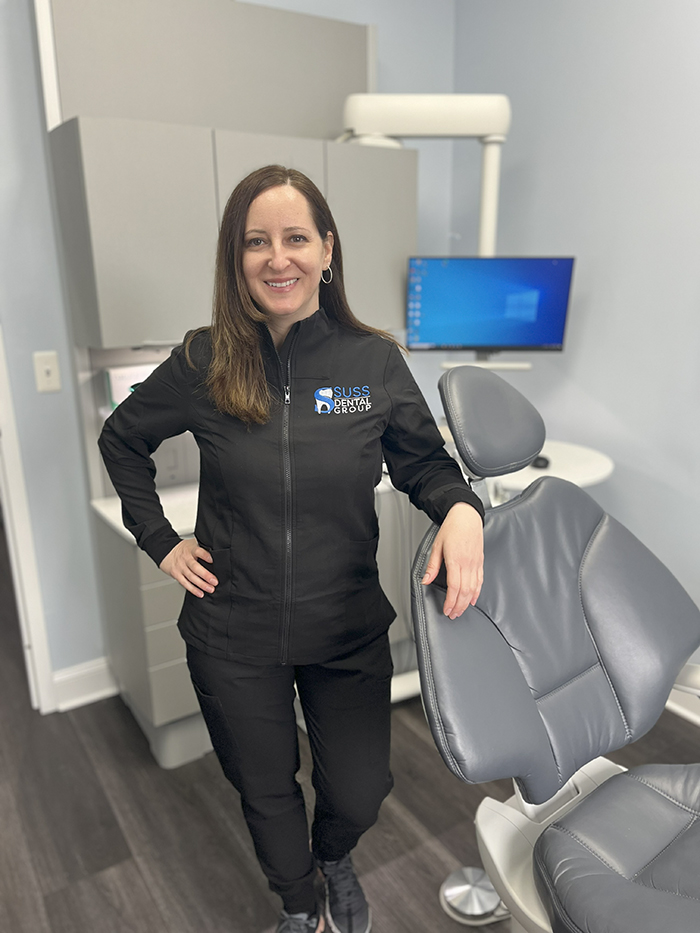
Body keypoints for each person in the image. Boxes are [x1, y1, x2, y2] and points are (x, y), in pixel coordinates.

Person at [98, 165, 485, 933]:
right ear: (236, 259)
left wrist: (463, 510)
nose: (279, 258)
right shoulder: (204, 360)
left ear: (327, 248)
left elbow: (425, 463)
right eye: (257, 242)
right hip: (232, 631)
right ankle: (300, 903)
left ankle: (333, 855)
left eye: (296, 237)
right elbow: (121, 439)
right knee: (265, 787)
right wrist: (161, 541)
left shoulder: (370, 363)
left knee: (360, 788)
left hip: (342, 624)